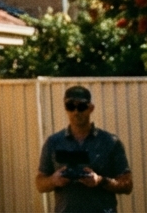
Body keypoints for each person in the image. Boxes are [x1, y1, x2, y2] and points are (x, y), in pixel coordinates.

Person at [35, 85, 133, 213]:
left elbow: (127, 185)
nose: (76, 112)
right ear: (65, 108)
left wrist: (100, 180)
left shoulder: (109, 142)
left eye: (81, 106)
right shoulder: (54, 142)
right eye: (70, 106)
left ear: (91, 108)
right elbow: (40, 183)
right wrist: (53, 180)